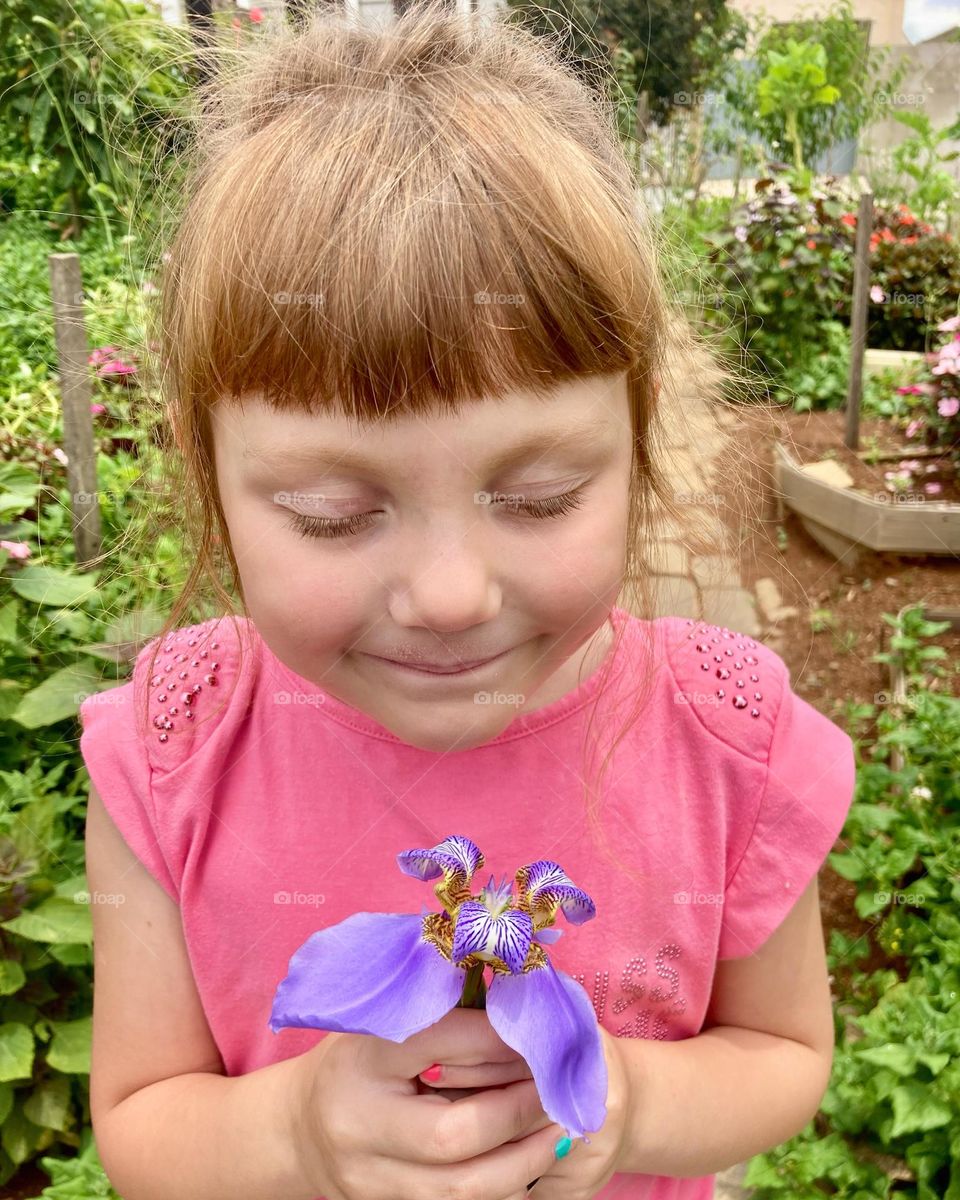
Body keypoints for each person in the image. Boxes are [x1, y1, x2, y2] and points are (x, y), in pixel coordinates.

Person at [79, 3, 856, 1198]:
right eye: (334, 513)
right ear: (208, 472)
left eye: (540, 495)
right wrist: (298, 1137)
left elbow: (787, 1053)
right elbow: (139, 1119)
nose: (449, 598)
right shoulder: (174, 759)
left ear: (639, 435)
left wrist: (623, 1105)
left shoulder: (724, 748)